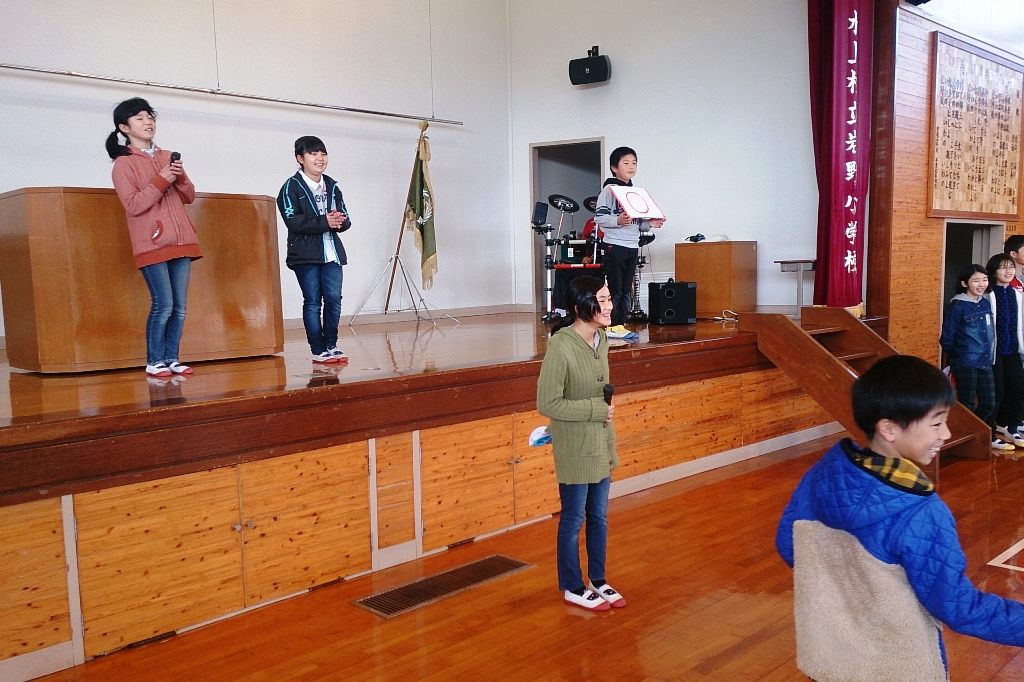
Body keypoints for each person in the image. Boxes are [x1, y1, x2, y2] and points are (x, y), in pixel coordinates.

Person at [776, 355, 1024, 681]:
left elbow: (789, 546)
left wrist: (852, 595)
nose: (946, 433)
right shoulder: (921, 511)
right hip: (896, 667)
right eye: (936, 423)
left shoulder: (819, 475)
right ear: (889, 428)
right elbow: (958, 607)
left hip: (828, 659)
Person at [536, 275, 625, 611]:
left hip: (600, 442)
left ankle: (598, 580)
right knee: (574, 518)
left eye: (609, 298)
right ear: (579, 307)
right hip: (575, 446)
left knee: (599, 516)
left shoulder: (602, 339)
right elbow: (547, 403)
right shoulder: (561, 347)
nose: (609, 306)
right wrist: (595, 410)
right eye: (601, 300)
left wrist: (601, 414)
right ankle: (573, 586)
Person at [106, 97, 201, 378]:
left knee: (180, 307)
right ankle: (154, 361)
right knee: (164, 304)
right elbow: (133, 205)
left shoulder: (167, 155)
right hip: (152, 243)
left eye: (150, 117)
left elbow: (189, 196)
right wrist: (161, 179)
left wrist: (178, 177)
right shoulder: (123, 164)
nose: (148, 122)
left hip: (181, 241)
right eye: (139, 118)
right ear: (124, 128)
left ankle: (172, 359)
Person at [276, 136, 352, 364]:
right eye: (313, 154)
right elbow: (293, 221)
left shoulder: (332, 186)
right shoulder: (291, 186)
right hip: (305, 254)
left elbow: (346, 220)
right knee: (312, 301)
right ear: (300, 158)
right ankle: (318, 349)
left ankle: (332, 345)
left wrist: (339, 220)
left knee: (334, 299)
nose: (320, 158)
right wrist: (324, 221)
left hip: (332, 252)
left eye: (323, 154)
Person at [939, 264, 1013, 450]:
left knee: (989, 403)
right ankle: (967, 441)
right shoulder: (957, 306)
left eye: (985, 280)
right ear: (965, 283)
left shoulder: (985, 303)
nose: (981, 284)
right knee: (967, 402)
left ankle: (974, 432)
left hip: (985, 361)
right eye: (976, 280)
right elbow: (946, 338)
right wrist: (958, 358)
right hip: (965, 361)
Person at [594, 146, 664, 337]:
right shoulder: (609, 190)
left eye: (634, 163)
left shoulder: (634, 192)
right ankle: (612, 325)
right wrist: (617, 220)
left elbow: (637, 223)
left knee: (627, 288)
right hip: (615, 245)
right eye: (626, 163)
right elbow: (599, 218)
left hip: (632, 245)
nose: (631, 167)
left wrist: (650, 223)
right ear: (614, 167)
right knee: (615, 289)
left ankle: (621, 323)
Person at [986, 253, 1024, 447]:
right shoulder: (988, 294)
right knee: (998, 393)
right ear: (994, 271)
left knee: (1019, 389)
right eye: (1003, 267)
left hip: (1013, 348)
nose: (1008, 271)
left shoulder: (1017, 294)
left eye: (1010, 267)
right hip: (994, 352)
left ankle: (1012, 427)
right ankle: (991, 431)